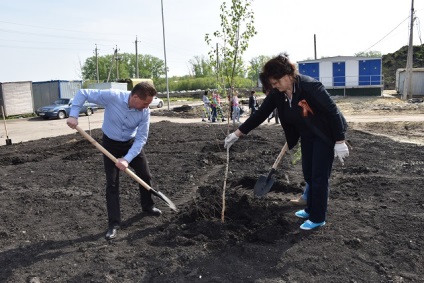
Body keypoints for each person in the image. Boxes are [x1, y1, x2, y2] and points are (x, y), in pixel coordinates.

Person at [224, 53, 349, 230]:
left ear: (289, 74)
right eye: (272, 84)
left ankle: (318, 217)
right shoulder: (278, 93)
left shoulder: (310, 87)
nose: (275, 86)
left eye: (277, 82)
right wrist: (237, 133)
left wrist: (339, 141)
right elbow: (261, 114)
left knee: (319, 177)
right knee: (308, 174)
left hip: (326, 135)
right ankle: (310, 208)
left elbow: (332, 112)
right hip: (307, 135)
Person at [66, 82, 162, 240]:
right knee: (112, 184)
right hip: (110, 144)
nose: (146, 107)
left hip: (131, 144)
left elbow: (141, 138)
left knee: (145, 175)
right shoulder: (112, 96)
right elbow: (83, 93)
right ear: (135, 97)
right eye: (145, 103)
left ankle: (148, 206)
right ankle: (114, 224)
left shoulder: (145, 112)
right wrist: (73, 114)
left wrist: (127, 159)